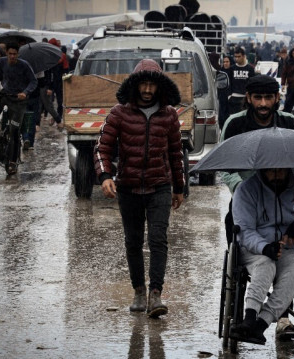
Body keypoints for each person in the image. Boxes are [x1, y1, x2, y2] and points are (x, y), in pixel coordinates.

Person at [94, 58, 185, 318]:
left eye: (151, 85)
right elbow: (102, 147)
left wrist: (179, 187)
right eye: (143, 84)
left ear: (159, 87)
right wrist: (105, 176)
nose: (147, 90)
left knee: (158, 239)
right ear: (135, 85)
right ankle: (138, 292)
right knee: (133, 241)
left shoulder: (168, 115)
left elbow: (176, 153)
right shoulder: (118, 113)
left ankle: (156, 294)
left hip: (160, 186)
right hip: (129, 187)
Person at [229, 167, 294, 345]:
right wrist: (265, 247)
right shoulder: (246, 189)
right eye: (270, 171)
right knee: (266, 263)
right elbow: (244, 231)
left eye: (280, 170)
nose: (276, 174)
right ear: (261, 168)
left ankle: (261, 325)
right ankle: (250, 316)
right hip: (256, 249)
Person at [0, 42, 37, 175]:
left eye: (14, 54)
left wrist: (25, 92)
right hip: (4, 94)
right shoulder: (0, 62)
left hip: (18, 100)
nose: (12, 56)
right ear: (6, 54)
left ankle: (12, 161)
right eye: (9, 54)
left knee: (14, 129)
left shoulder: (24, 65)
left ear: (18, 54)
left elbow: (33, 81)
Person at [227, 47, 256, 116]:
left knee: (245, 118)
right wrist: (229, 95)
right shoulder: (232, 68)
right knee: (233, 119)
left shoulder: (250, 69)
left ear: (243, 56)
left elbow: (252, 83)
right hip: (234, 98)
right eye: (235, 57)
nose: (237, 58)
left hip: (245, 98)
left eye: (239, 56)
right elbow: (229, 82)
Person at [218, 55, 233, 129]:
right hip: (222, 95)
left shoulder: (233, 71)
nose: (225, 63)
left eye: (227, 62)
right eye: (224, 62)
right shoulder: (221, 72)